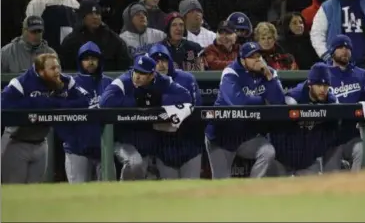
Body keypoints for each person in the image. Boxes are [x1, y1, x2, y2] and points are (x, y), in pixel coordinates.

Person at [99, 54, 192, 181]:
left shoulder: (162, 80)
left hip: (146, 140)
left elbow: (186, 96)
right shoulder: (124, 80)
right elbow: (105, 102)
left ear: (152, 75)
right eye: (136, 71)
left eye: (142, 73)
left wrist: (158, 99)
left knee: (140, 179)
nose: (137, 76)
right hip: (121, 138)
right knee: (134, 162)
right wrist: (136, 102)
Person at [1, 53, 90, 184]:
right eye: (52, 68)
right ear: (40, 71)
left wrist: (55, 103)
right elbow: (3, 105)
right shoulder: (21, 83)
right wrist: (34, 103)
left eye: (58, 67)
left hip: (41, 142)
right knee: (13, 189)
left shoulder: (65, 81)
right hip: (16, 142)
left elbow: (85, 100)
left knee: (34, 192)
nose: (57, 71)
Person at [205, 42, 285, 179]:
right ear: (242, 60)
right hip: (222, 135)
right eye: (252, 57)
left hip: (247, 136)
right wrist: (262, 101)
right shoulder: (231, 72)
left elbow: (279, 102)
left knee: (267, 152)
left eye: (259, 55)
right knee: (221, 182)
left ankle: (252, 189)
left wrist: (270, 79)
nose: (258, 60)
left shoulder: (268, 72)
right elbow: (238, 103)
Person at [56, 42, 113, 183]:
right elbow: (59, 117)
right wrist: (71, 140)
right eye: (86, 59)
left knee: (107, 196)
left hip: (103, 150)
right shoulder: (70, 84)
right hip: (77, 150)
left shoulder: (109, 83)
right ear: (80, 61)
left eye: (94, 58)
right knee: (78, 195)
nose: (91, 62)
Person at [269, 63, 338, 176]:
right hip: (282, 159)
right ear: (310, 84)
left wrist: (316, 151)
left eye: (326, 85)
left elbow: (332, 130)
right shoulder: (294, 98)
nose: (323, 89)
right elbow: (277, 130)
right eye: (319, 85)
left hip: (308, 161)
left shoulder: (331, 101)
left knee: (315, 191)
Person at [148, 44, 202, 179]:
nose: (161, 65)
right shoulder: (146, 82)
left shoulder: (187, 79)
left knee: (192, 194)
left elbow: (197, 108)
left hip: (189, 143)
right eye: (156, 61)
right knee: (170, 195)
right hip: (163, 146)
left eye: (164, 60)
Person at [324, 35, 365, 172]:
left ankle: (356, 189)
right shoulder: (323, 73)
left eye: (348, 48)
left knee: (362, 149)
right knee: (331, 179)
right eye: (340, 47)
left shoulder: (362, 75)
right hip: (329, 137)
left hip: (353, 134)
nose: (345, 50)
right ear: (332, 51)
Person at [60, 0, 131, 71]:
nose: (95, 17)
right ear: (82, 17)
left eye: (97, 13)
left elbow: (124, 65)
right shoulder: (71, 41)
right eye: (90, 13)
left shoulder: (113, 39)